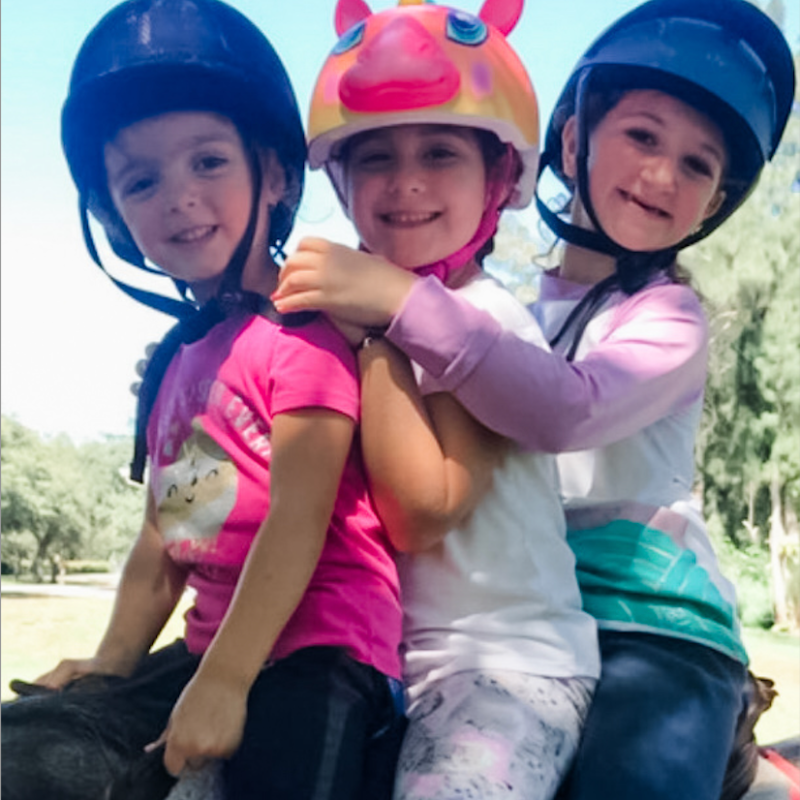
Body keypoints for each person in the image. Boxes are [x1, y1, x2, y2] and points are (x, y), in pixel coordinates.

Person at [272, 1, 796, 799]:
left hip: (656, 628)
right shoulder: (506, 312)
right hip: (542, 623)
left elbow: (563, 411)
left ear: (715, 202)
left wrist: (394, 298)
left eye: (698, 165)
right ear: (574, 142)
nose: (662, 174)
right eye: (643, 136)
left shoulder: (669, 318)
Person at [0, 2, 403, 799]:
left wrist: (223, 681)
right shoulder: (185, 361)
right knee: (30, 752)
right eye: (141, 180)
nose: (177, 196)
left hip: (324, 650)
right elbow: (174, 532)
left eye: (208, 162)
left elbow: (298, 516)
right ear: (115, 215)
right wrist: (112, 662)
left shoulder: (303, 332)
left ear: (275, 174)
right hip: (216, 650)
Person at [281, 1, 600, 798]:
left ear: (499, 178)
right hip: (381, 661)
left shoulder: (486, 322)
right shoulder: (344, 319)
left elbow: (421, 511)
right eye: (375, 157)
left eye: (440, 152)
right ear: (342, 181)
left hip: (508, 665)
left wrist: (378, 329)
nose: (407, 182)